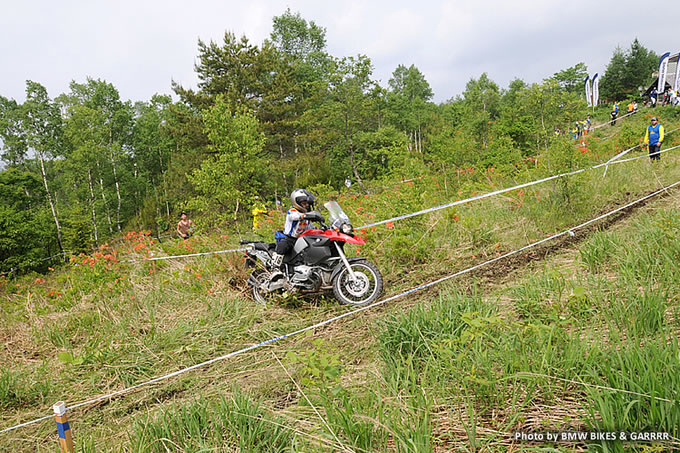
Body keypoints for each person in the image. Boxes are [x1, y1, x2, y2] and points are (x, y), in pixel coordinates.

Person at [270, 189, 317, 272]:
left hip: (301, 240)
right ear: (297, 203)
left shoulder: (306, 216)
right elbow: (295, 216)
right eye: (304, 203)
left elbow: (309, 226)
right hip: (289, 238)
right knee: (283, 247)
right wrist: (306, 215)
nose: (306, 205)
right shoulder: (292, 211)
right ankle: (275, 268)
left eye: (307, 203)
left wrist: (317, 228)